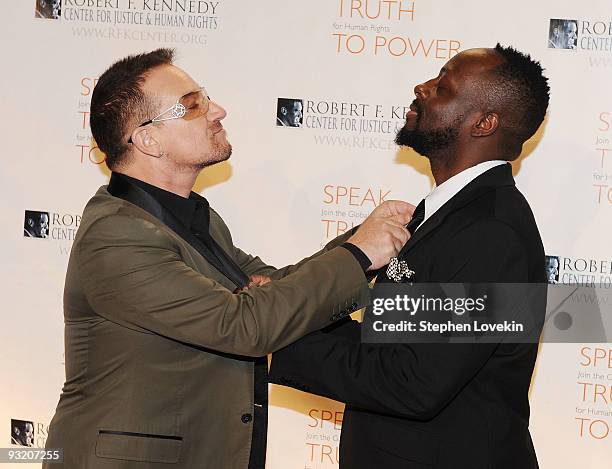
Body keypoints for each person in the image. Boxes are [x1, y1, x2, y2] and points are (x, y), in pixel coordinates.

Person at [44, 49, 413, 469]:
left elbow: (275, 288)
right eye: (192, 105)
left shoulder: (190, 217)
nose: (217, 110)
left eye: (205, 97)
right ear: (147, 139)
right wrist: (359, 254)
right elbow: (243, 324)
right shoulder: (116, 237)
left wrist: (360, 244)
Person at [270, 44, 550, 469]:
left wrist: (280, 333)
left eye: (443, 86)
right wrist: (290, 306)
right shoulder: (447, 214)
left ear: (484, 123)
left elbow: (413, 382)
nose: (421, 87)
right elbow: (395, 347)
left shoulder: (491, 232)